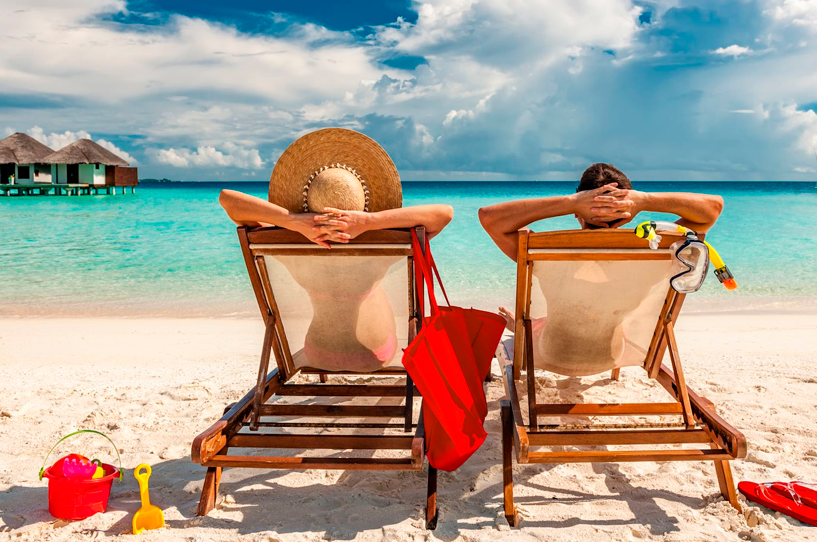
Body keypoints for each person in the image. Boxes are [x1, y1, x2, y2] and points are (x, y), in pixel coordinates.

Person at [220, 128, 453, 371]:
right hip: (375, 355)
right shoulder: (386, 245)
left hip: (319, 353)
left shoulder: (286, 244)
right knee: (374, 291)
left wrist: (296, 222)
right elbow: (444, 214)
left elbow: (228, 199)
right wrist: (367, 222)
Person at [478, 162, 724, 375]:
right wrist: (644, 200)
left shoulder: (542, 252)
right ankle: (526, 327)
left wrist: (572, 203)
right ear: (627, 212)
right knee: (590, 311)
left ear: (578, 213)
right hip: (611, 355)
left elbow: (490, 219)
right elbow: (711, 210)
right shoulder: (652, 254)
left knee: (563, 314)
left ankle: (521, 328)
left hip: (552, 353)